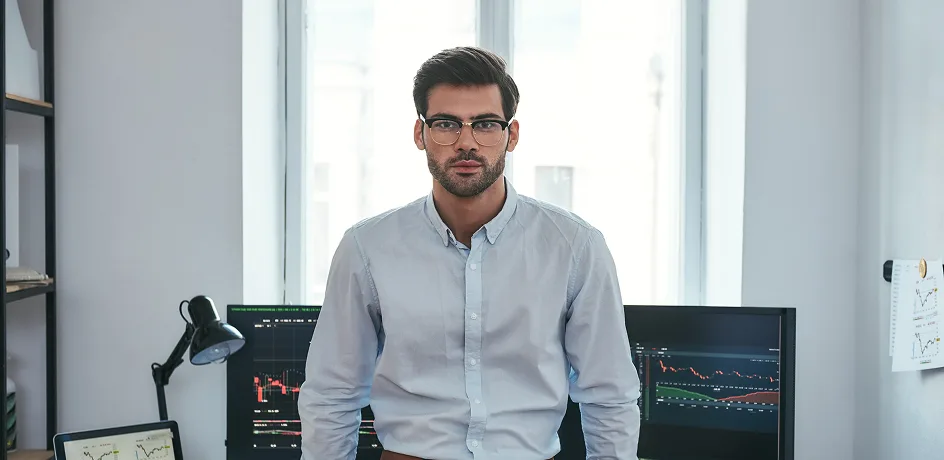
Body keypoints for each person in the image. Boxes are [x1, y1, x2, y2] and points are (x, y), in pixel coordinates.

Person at [298, 46, 640, 460]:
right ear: (420, 133)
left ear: (511, 135)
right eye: (446, 124)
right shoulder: (367, 248)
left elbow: (610, 395)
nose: (466, 143)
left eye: (485, 124)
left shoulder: (575, 247)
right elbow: (332, 393)